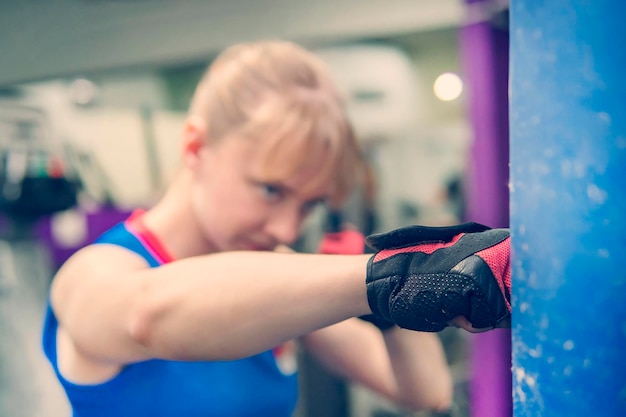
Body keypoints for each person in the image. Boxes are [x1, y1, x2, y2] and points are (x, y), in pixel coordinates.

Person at [42, 40, 511, 417]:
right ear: (195, 146)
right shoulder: (94, 272)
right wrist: (386, 275)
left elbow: (424, 392)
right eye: (270, 190)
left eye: (310, 204)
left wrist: (395, 302)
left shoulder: (274, 272)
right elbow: (146, 317)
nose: (287, 226)